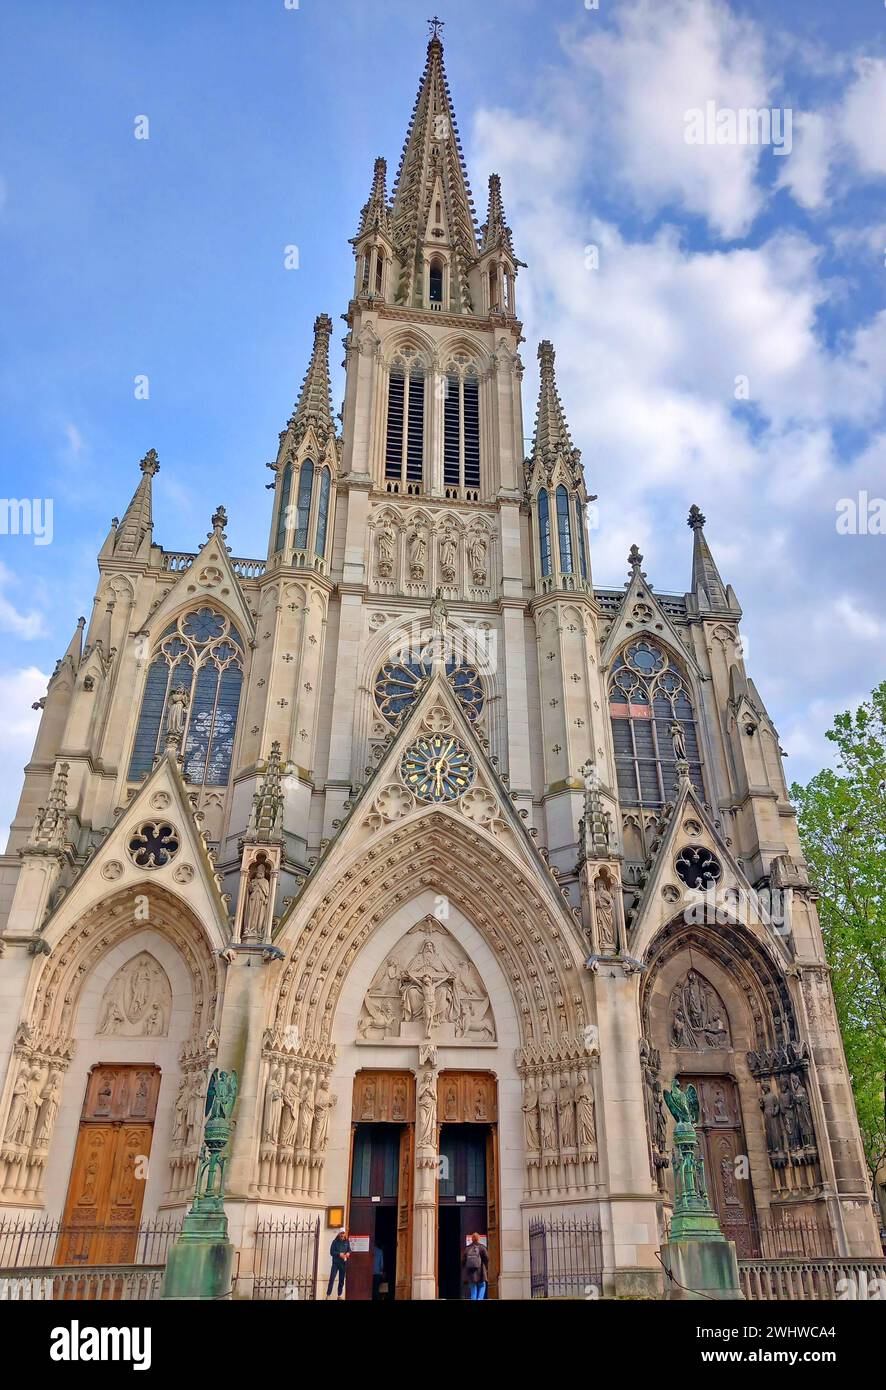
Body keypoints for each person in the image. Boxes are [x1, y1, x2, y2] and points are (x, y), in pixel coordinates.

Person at [461, 1233, 489, 1300]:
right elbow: (487, 1258)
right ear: (479, 1239)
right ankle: (479, 1299)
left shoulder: (467, 1248)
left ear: (472, 1239)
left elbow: (463, 1261)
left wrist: (466, 1267)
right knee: (482, 1285)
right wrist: (486, 1267)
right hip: (481, 1271)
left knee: (473, 1288)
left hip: (470, 1272)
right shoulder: (482, 1247)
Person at [326, 1229, 351, 1300]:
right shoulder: (335, 1242)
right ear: (339, 1234)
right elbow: (331, 1252)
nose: (342, 1235)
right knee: (332, 1278)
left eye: (343, 1233)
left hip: (343, 1263)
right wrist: (339, 1254)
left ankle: (339, 1295)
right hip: (336, 1263)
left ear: (345, 1234)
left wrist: (348, 1253)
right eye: (341, 1233)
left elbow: (349, 1250)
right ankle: (328, 1295)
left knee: (341, 1280)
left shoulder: (347, 1241)